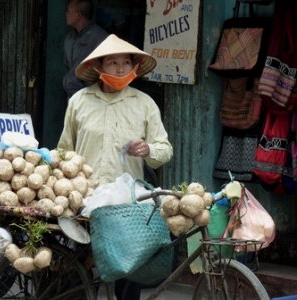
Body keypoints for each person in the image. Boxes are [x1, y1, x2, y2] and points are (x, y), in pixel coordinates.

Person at [57, 34, 173, 300]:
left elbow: (164, 149)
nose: (121, 68)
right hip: (85, 198)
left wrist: (148, 150)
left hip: (126, 204)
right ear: (99, 67)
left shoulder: (144, 104)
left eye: (126, 62)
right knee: (80, 267)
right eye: (113, 63)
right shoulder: (79, 102)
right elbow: (64, 150)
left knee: (128, 269)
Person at [63, 0, 108, 99]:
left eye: (68, 11)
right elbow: (68, 67)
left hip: (92, 98)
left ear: (78, 15)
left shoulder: (100, 38)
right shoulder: (70, 38)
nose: (66, 14)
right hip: (72, 96)